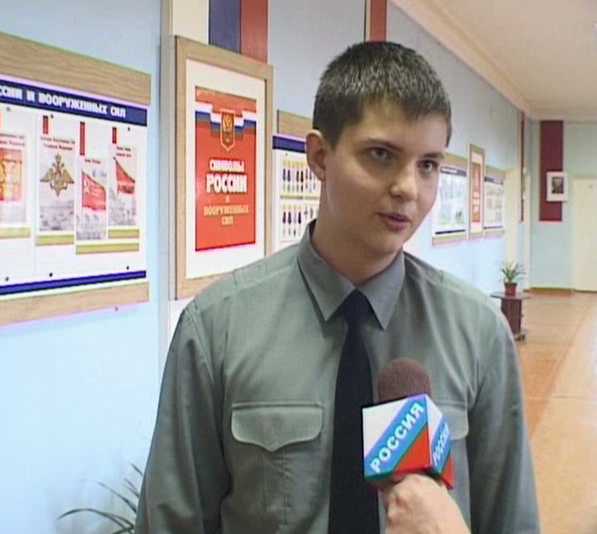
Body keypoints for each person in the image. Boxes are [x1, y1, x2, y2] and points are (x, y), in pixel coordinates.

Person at [136, 41, 540, 533]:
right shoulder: (216, 329)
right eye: (381, 155)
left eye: (428, 165)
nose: (408, 188)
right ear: (320, 156)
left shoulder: (478, 334)